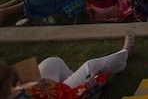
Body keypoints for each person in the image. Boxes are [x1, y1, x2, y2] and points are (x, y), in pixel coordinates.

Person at [0, 33, 135, 96]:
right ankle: (124, 54)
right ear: (5, 83)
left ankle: (76, 78)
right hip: (63, 94)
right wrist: (88, 86)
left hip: (47, 88)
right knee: (91, 66)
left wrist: (23, 86)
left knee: (52, 62)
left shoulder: (14, 92)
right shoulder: (29, 94)